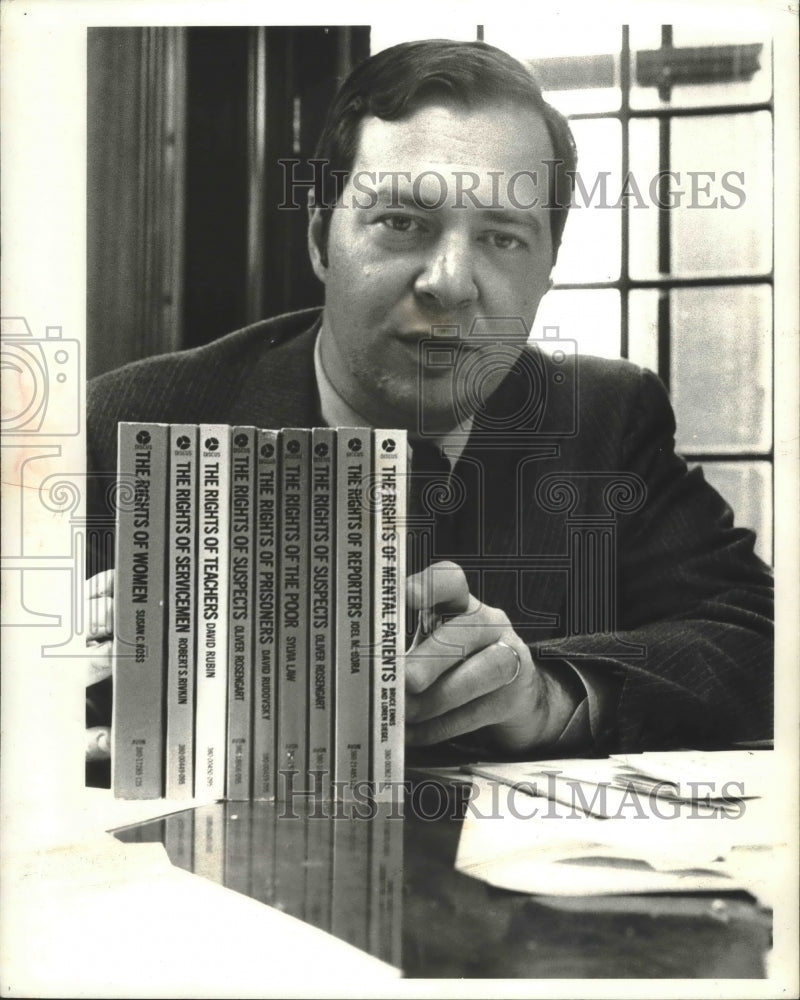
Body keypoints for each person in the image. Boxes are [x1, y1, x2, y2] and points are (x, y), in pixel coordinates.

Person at [86, 39, 773, 778]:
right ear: (322, 238)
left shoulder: (608, 417)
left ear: (547, 271)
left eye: (503, 238)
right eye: (403, 223)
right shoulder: (137, 419)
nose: (449, 283)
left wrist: (549, 695)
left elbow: (760, 642)